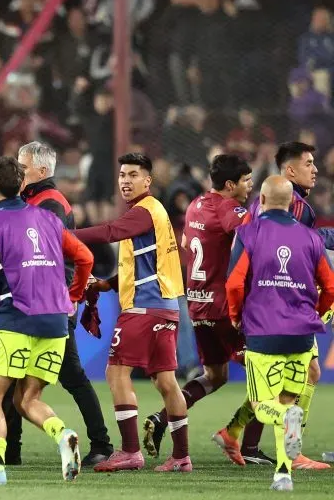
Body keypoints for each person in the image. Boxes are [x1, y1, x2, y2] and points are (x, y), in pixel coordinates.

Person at [0, 156, 94, 485]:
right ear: (21, 185)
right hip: (54, 324)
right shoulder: (48, 219)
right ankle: (63, 435)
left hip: (16, 319)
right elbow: (85, 257)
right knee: (28, 399)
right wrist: (73, 295)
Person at [75, 153, 191, 473]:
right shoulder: (152, 213)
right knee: (166, 381)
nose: (125, 180)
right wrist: (107, 285)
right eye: (122, 175)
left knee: (116, 373)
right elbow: (145, 264)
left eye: (133, 175)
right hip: (165, 308)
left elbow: (110, 232)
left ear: (147, 180)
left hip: (144, 308)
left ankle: (129, 451)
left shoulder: (144, 211)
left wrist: (63, 236)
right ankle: (181, 456)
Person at [222, 141, 332, 469]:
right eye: (309, 163)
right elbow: (303, 249)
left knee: (275, 386)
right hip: (287, 306)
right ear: (290, 171)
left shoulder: (263, 210)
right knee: (303, 376)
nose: (315, 169)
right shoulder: (295, 207)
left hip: (262, 309)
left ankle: (234, 432)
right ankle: (292, 453)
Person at [140, 154, 252, 461]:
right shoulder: (231, 209)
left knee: (216, 375)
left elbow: (190, 242)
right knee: (268, 374)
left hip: (198, 304)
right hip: (223, 307)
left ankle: (162, 418)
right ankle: (244, 440)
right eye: (246, 180)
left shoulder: (196, 204)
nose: (250, 185)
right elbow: (252, 237)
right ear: (230, 185)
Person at [13, 141, 114, 467]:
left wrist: (70, 298)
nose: (18, 172)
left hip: (51, 302)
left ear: (42, 171)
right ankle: (9, 450)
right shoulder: (33, 200)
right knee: (13, 377)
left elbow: (46, 253)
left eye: (23, 167)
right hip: (38, 302)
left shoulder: (50, 203)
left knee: (72, 376)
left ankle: (102, 444)